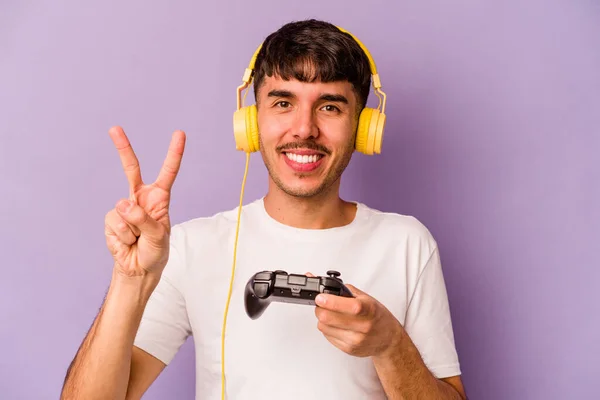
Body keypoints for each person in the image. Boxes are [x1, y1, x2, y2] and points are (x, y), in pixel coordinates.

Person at [61, 19, 466, 400]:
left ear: (363, 127)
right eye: (283, 102)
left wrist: (390, 345)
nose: (304, 129)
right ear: (252, 123)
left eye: (329, 107)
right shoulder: (192, 246)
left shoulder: (407, 243)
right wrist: (130, 280)